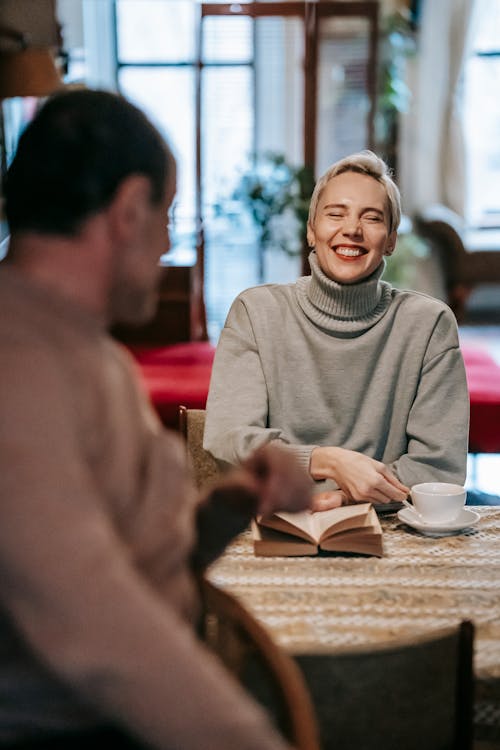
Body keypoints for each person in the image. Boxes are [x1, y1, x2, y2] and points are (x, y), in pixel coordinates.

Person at [0, 89, 314, 750]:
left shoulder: (93, 353)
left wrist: (228, 506)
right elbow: (89, 620)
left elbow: (131, 559)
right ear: (127, 210)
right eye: (166, 214)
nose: (170, 241)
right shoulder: (17, 364)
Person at [204, 150, 470, 510]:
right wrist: (329, 461)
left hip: (388, 527)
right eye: (335, 214)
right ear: (312, 231)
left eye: (372, 218)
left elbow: (438, 466)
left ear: (390, 240)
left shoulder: (428, 325)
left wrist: (341, 498)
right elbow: (230, 436)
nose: (352, 230)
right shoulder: (256, 313)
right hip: (278, 520)